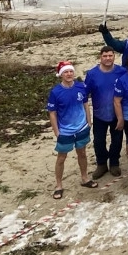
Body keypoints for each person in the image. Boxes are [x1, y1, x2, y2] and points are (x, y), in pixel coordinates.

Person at [46, 61, 96, 199]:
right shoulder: (56, 92)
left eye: (70, 71)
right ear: (61, 75)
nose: (69, 74)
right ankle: (59, 185)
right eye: (65, 72)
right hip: (65, 130)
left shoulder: (81, 87)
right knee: (61, 157)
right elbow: (52, 113)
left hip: (81, 127)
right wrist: (57, 131)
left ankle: (85, 178)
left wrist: (89, 122)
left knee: (82, 153)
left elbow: (86, 105)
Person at [84, 47, 126, 180]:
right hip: (99, 114)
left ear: (114, 56)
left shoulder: (121, 71)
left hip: (117, 113)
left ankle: (114, 162)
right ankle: (101, 164)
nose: (108, 58)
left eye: (110, 56)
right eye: (105, 56)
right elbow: (85, 94)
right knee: (99, 141)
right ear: (100, 57)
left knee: (117, 140)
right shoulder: (92, 74)